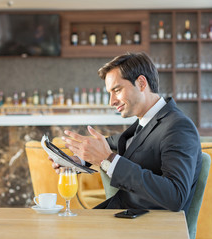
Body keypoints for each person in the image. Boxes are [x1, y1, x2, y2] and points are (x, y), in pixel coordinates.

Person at [51, 52, 202, 213]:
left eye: (117, 90)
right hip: (122, 216)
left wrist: (107, 159)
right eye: (110, 93)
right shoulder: (144, 122)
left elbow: (175, 196)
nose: (111, 102)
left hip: (148, 227)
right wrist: (77, 161)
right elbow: (112, 143)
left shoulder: (178, 127)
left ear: (141, 83)